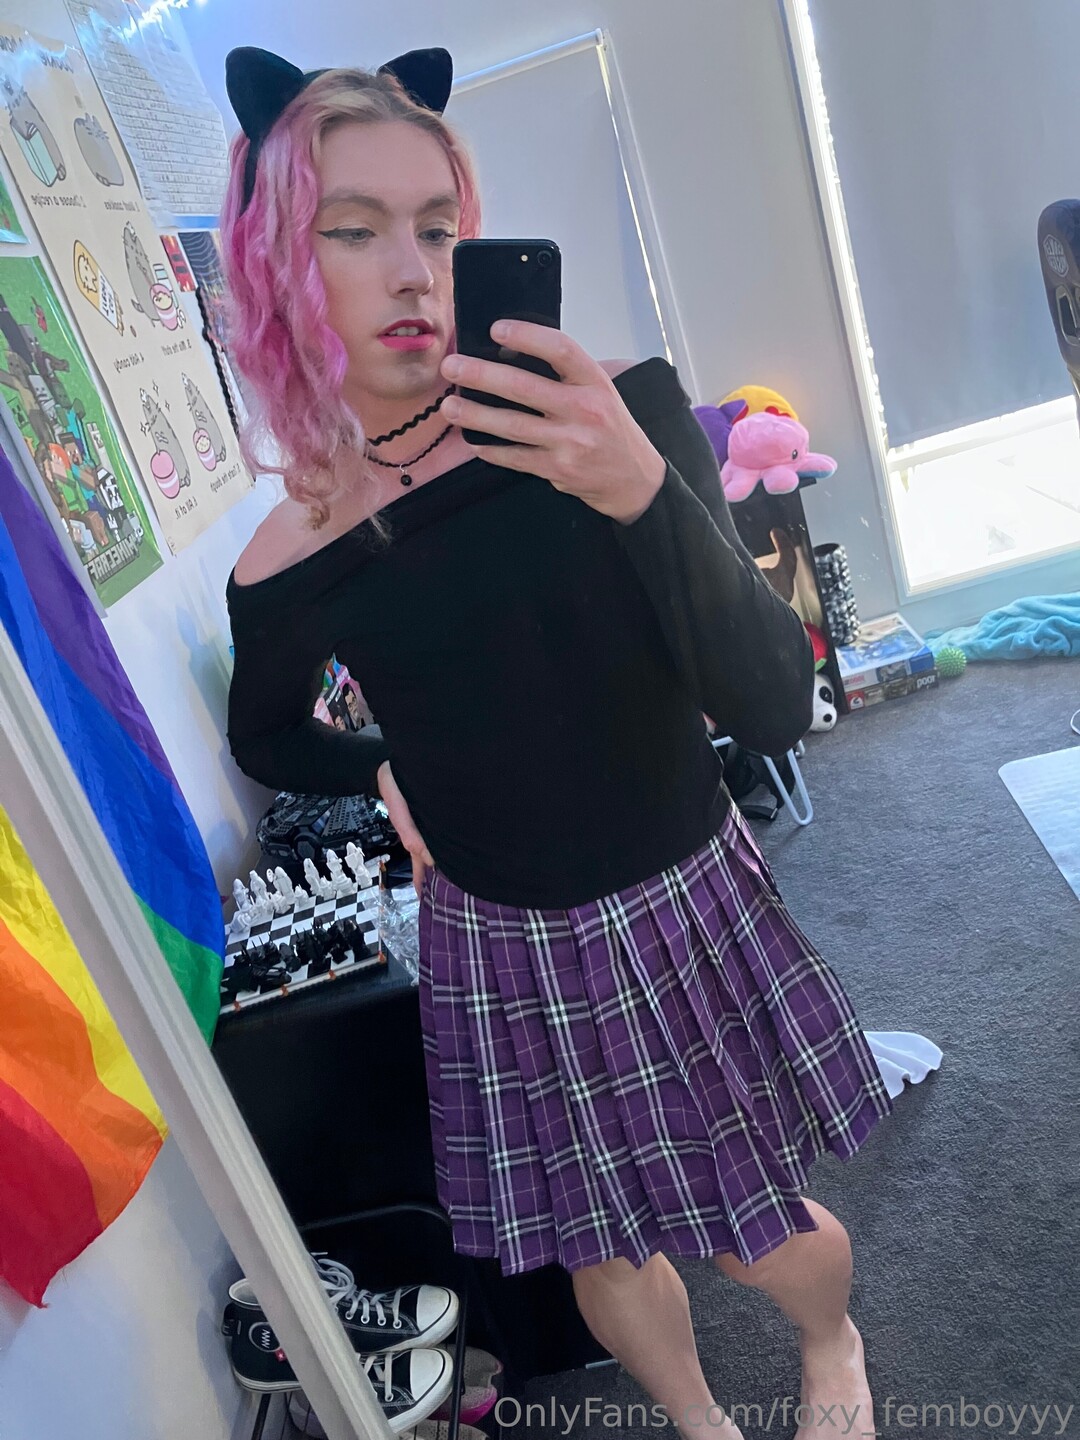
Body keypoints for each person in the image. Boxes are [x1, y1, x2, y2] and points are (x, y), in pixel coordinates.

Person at [221, 45, 894, 1440]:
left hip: (670, 888)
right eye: (353, 230)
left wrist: (639, 485)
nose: (412, 272)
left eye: (437, 227)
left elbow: (779, 701)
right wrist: (382, 769)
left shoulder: (614, 409)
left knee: (753, 1225)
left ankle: (832, 1343)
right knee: (601, 1248)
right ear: (281, 261)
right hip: (492, 937)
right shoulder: (299, 546)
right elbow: (268, 734)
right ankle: (700, 1423)